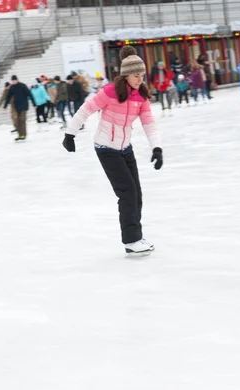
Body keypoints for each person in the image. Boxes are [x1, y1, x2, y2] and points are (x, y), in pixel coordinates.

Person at [61, 46, 162, 256]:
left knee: (137, 194)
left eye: (142, 75)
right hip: (106, 147)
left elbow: (149, 123)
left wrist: (157, 147)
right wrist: (70, 134)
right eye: (136, 75)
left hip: (125, 148)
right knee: (127, 192)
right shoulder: (109, 92)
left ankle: (137, 235)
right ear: (126, 75)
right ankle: (131, 240)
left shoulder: (140, 96)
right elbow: (86, 109)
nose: (140, 79)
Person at [3, 75, 35, 141]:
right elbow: (8, 97)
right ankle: (20, 135)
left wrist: (34, 104)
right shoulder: (12, 87)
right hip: (17, 106)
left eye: (14, 80)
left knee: (22, 120)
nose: (13, 82)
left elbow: (29, 94)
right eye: (12, 81)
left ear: (17, 80)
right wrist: (5, 106)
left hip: (24, 105)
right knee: (17, 121)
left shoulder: (22, 86)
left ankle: (23, 135)